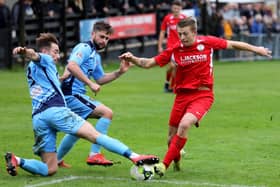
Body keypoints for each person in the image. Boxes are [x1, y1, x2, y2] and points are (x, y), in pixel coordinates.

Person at [119, 17, 272, 177]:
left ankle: (163, 165)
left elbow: (233, 44)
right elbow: (149, 63)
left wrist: (257, 49)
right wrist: (133, 59)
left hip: (203, 95)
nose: (182, 38)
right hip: (181, 97)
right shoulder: (175, 50)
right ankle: (177, 163)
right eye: (179, 34)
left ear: (194, 32)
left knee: (185, 125)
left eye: (185, 34)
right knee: (171, 140)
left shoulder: (207, 42)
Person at [4, 33, 159, 177]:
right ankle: (136, 157)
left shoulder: (32, 69)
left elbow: (49, 80)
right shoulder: (45, 59)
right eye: (55, 52)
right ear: (45, 51)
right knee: (95, 135)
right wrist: (24, 51)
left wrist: (63, 77)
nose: (57, 56)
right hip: (55, 111)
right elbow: (33, 54)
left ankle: (17, 160)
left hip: (38, 118)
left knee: (50, 169)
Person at [56, 21, 132, 167]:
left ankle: (57, 160)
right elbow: (71, 65)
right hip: (70, 94)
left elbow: (100, 79)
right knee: (106, 113)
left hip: (76, 94)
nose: (104, 41)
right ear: (92, 34)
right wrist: (90, 83)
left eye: (107, 39)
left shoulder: (95, 56)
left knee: (76, 131)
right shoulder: (83, 47)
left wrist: (119, 72)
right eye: (101, 37)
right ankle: (94, 154)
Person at [157, 0, 186, 93]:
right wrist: (160, 45)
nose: (176, 10)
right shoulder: (168, 18)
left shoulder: (184, 19)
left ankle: (171, 86)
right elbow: (162, 32)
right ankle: (169, 84)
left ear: (181, 9)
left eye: (178, 8)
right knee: (172, 66)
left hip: (182, 46)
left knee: (177, 67)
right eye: (174, 8)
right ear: (172, 8)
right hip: (171, 46)